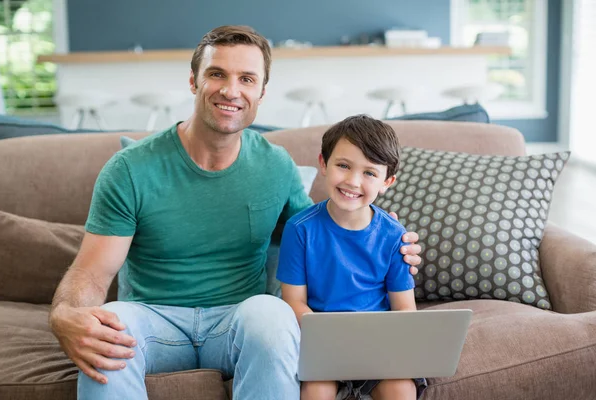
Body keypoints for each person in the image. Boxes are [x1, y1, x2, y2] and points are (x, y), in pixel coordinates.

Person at [48, 26, 422, 400]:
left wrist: (390, 244)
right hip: (153, 319)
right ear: (194, 81)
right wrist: (65, 313)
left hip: (239, 319)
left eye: (247, 79)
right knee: (107, 328)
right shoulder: (130, 169)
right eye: (217, 74)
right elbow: (92, 272)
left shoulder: (275, 166)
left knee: (273, 315)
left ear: (261, 93)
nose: (231, 90)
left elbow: (324, 236)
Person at [277, 115, 427, 400]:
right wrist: (330, 338)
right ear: (323, 163)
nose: (353, 181)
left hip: (378, 348)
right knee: (315, 390)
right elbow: (294, 301)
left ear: (387, 181)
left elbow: (405, 310)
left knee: (401, 389)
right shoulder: (300, 229)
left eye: (369, 173)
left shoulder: (395, 236)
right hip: (321, 344)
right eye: (343, 166)